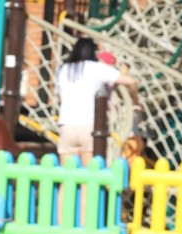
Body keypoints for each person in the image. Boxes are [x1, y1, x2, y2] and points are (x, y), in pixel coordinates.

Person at [55, 37, 139, 224]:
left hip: (66, 126)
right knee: (87, 179)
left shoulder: (64, 69)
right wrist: (135, 102)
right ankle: (86, 224)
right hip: (89, 127)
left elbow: (60, 97)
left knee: (66, 179)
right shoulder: (95, 68)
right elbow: (130, 81)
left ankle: (62, 223)